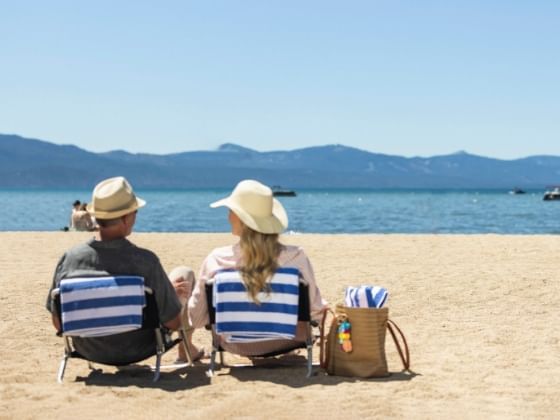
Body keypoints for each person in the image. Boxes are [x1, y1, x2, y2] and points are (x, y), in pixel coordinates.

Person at [46, 176, 200, 365]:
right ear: (126, 218)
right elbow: (173, 323)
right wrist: (171, 297)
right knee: (184, 273)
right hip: (139, 347)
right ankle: (187, 350)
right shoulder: (145, 262)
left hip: (88, 348)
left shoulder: (70, 259)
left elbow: (58, 322)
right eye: (134, 212)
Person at [170, 179, 327, 358]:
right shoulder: (297, 257)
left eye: (231, 211)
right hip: (289, 339)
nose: (228, 216)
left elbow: (197, 319)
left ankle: (187, 349)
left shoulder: (217, 260)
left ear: (240, 219)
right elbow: (315, 312)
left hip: (234, 344)